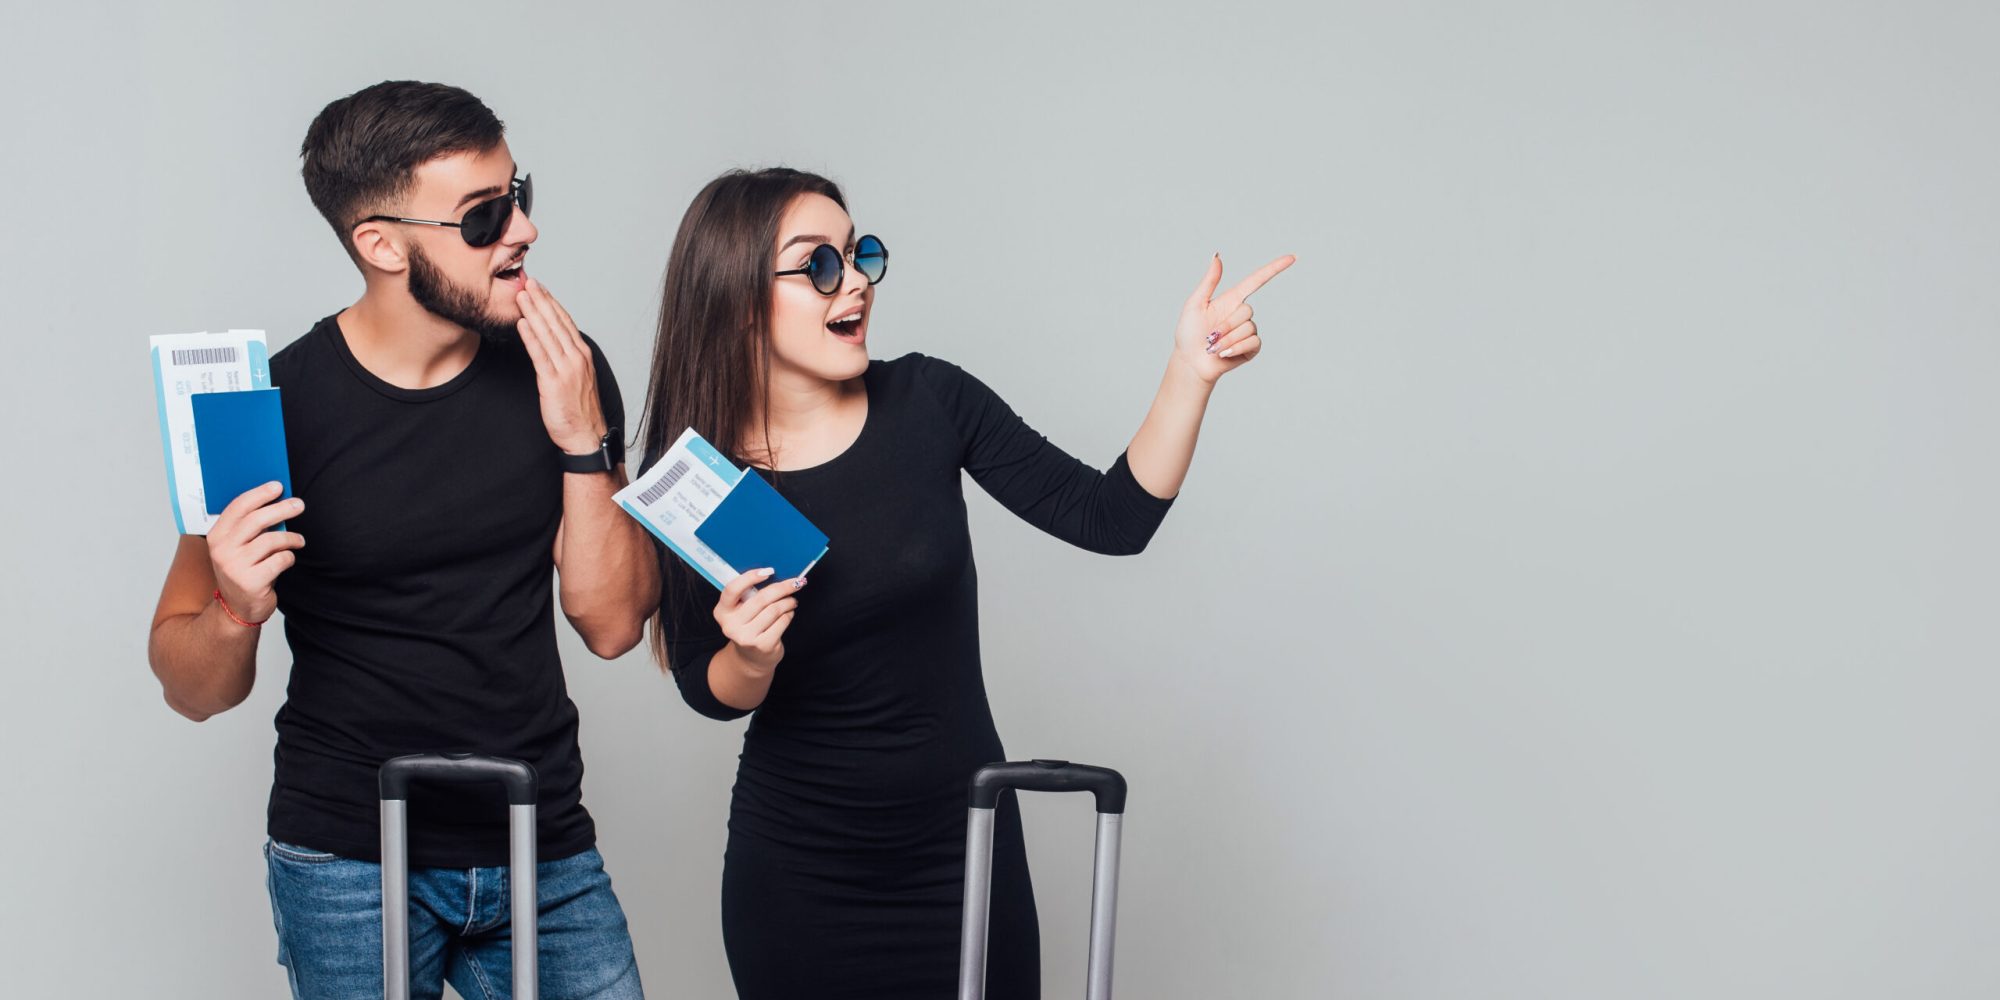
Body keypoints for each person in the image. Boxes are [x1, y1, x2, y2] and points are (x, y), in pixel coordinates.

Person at [636, 166, 1291, 998]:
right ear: (736, 299)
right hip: (801, 877)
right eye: (821, 266)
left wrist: (1189, 374)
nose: (857, 284)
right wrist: (752, 658)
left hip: (965, 849)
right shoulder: (703, 477)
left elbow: (1111, 519)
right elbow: (706, 685)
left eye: (858, 254)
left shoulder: (928, 400)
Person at [145, 80, 657, 1000]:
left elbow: (614, 624)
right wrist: (236, 605)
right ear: (379, 245)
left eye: (520, 197)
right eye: (484, 216)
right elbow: (191, 689)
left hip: (538, 836)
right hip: (348, 858)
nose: (524, 232)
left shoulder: (563, 370)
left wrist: (583, 441)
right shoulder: (272, 409)